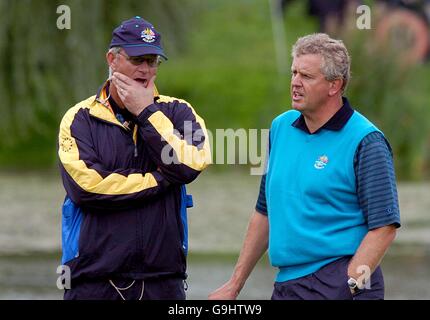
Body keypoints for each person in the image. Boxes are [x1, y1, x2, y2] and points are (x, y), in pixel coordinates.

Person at [209, 33, 400, 300]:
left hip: (340, 280)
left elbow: (384, 227)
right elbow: (265, 213)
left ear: (335, 85)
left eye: (307, 77)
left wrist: (350, 285)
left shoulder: (366, 140)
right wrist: (234, 285)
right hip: (288, 283)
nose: (295, 83)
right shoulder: (280, 128)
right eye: (294, 73)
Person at [58, 16, 211, 300]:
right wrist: (160, 179)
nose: (145, 70)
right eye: (137, 59)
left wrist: (147, 113)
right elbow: (88, 188)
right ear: (112, 60)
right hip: (94, 283)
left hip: (163, 282)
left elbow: (190, 163)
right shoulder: (80, 118)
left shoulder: (178, 112)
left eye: (152, 61)